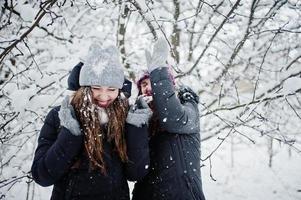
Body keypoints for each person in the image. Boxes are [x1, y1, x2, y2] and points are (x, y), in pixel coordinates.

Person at [31, 44, 151, 200]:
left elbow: (136, 173)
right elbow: (42, 175)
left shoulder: (126, 118)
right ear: (85, 87)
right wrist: (70, 134)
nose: (104, 96)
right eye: (96, 87)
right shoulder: (60, 115)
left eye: (112, 89)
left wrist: (136, 129)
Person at [132, 38, 206, 200]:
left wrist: (158, 71)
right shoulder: (138, 118)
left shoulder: (188, 106)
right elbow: (134, 169)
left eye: (153, 82)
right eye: (144, 84)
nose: (149, 88)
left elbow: (173, 119)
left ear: (168, 84)